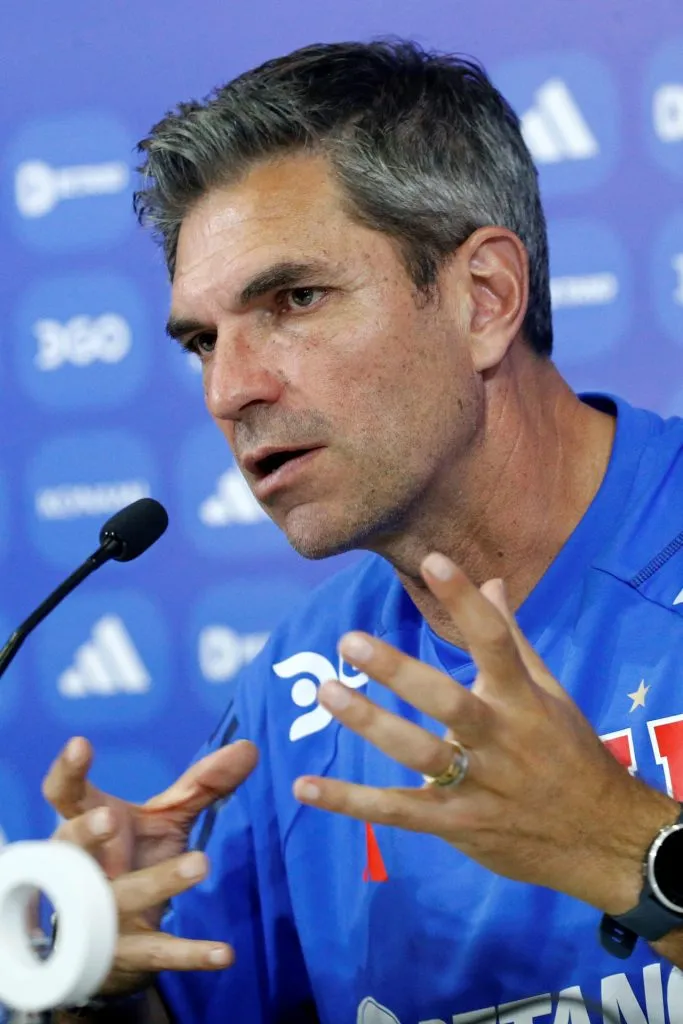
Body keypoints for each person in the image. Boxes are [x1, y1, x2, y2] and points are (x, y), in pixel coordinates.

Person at [42, 39, 683, 1024]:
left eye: (293, 300)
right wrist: (103, 984)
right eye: (202, 340)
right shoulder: (299, 691)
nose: (228, 389)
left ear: (482, 300)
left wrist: (619, 844)